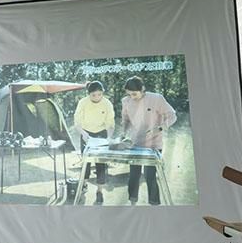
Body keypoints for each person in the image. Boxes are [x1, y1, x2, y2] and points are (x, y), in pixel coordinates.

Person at [121, 76, 176, 205]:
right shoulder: (126, 101)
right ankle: (132, 203)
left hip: (153, 145)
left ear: (143, 89)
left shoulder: (156, 98)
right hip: (135, 144)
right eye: (129, 94)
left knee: (150, 176)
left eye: (134, 94)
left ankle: (154, 204)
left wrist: (160, 128)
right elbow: (125, 120)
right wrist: (123, 132)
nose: (132, 97)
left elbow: (172, 116)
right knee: (133, 176)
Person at [73, 80, 115, 204]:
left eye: (99, 94)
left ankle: (99, 191)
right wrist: (83, 133)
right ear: (88, 94)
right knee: (85, 161)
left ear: (103, 93)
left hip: (101, 133)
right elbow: (77, 122)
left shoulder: (107, 103)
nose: (97, 97)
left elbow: (110, 123)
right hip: (86, 133)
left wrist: (109, 137)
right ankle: (84, 184)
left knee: (100, 164)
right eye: (93, 95)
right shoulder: (83, 102)